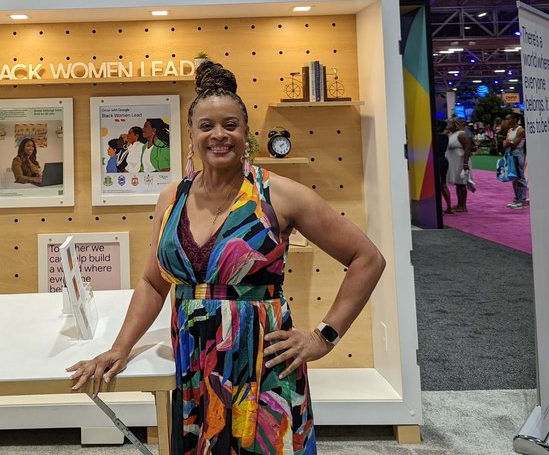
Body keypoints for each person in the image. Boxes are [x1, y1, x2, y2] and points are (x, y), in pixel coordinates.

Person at [67, 60, 385, 454]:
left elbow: (367, 258)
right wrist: (120, 347)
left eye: (230, 125)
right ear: (191, 134)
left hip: (263, 371)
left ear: (245, 133)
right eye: (207, 126)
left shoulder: (279, 195)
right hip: (194, 370)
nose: (219, 134)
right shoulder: (172, 198)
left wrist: (323, 337)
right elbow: (153, 282)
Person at [444, 118, 474, 213]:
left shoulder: (462, 134)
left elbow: (468, 148)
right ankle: (459, 204)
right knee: (458, 184)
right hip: (455, 162)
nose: (448, 126)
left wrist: (465, 163)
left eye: (450, 124)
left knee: (462, 184)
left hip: (461, 161)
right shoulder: (451, 134)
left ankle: (463, 206)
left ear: (455, 125)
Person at [504, 113, 528, 209]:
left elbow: (514, 144)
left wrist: (508, 143)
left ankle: (522, 200)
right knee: (514, 177)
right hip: (510, 154)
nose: (506, 121)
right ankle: (517, 199)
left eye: (508, 119)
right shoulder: (510, 130)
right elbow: (505, 143)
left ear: (514, 120)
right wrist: (508, 143)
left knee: (520, 178)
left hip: (518, 154)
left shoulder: (520, 130)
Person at [433, 119, 453, 214]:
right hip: (444, 160)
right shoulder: (446, 137)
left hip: (436, 160)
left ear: (438, 127)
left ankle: (439, 209)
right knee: (443, 185)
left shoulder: (434, 136)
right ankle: (449, 207)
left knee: (437, 185)